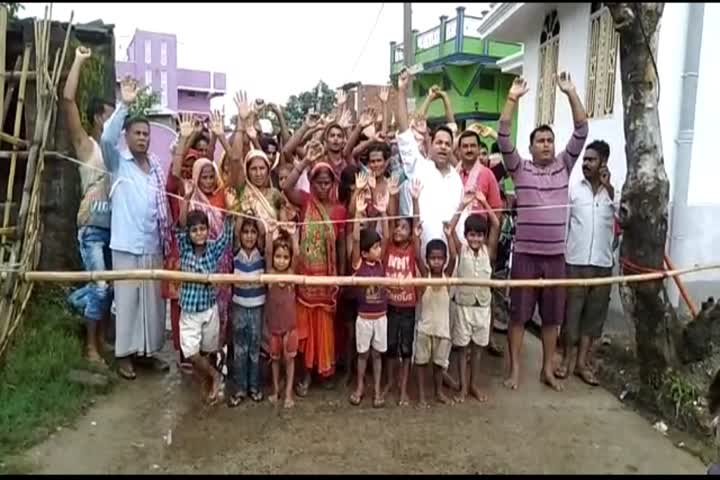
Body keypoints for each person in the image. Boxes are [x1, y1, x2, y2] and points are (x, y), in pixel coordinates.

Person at [496, 72, 588, 391]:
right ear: (531, 147)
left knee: (552, 318)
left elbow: (582, 129)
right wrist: (512, 98)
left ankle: (547, 369)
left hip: (555, 257)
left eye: (550, 140)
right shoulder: (520, 169)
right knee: (519, 316)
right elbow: (503, 136)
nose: (547, 145)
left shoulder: (565, 164)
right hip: (524, 255)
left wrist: (571, 92)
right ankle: (515, 370)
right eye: (541, 141)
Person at [101, 77, 173, 380]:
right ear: (127, 136)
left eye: (146, 133)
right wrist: (125, 104)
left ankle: (147, 353)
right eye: (137, 133)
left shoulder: (155, 166)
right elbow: (105, 138)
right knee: (128, 303)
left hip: (152, 244)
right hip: (127, 245)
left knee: (152, 306)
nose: (142, 138)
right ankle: (124, 357)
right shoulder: (118, 161)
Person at [63, 46, 115, 367]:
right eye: (111, 115)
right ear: (98, 116)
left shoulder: (114, 153)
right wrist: (79, 60)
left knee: (109, 290)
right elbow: (67, 101)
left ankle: (100, 340)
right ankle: (90, 349)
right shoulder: (87, 145)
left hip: (114, 229)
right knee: (100, 286)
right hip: (92, 228)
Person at [283, 147, 347, 396]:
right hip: (305, 279)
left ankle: (325, 372)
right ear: (311, 184)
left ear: (333, 184)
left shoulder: (340, 210)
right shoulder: (306, 202)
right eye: (318, 183)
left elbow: (341, 246)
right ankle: (306, 374)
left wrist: (339, 279)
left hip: (327, 280)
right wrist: (304, 162)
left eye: (326, 183)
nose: (322, 187)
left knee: (325, 331)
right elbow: (286, 189)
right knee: (305, 331)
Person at [557, 140, 615, 386]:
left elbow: (624, 219)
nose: (586, 164)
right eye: (585, 159)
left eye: (591, 160)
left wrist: (610, 189)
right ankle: (566, 361)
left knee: (593, 318)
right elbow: (565, 224)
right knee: (572, 314)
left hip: (603, 264)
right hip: (576, 262)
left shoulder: (613, 193)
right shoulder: (574, 191)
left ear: (603, 162)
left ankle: (582, 363)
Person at [396, 68, 463, 251]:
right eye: (439, 142)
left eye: (448, 144)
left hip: (449, 266)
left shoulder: (457, 180)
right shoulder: (419, 166)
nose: (443, 146)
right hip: (419, 262)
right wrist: (401, 90)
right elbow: (403, 129)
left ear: (452, 148)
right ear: (430, 144)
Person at [176, 198, 233, 404]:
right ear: (189, 233)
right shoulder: (184, 248)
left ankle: (208, 383)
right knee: (191, 351)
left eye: (203, 229)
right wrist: (186, 200)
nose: (199, 233)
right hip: (190, 310)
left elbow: (226, 236)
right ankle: (214, 375)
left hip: (210, 307)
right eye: (195, 230)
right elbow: (180, 225)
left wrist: (230, 212)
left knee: (209, 349)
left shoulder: (212, 249)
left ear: (208, 230)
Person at [446, 191, 501, 403]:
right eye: (472, 235)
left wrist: (485, 202)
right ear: (467, 235)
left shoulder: (489, 251)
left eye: (479, 235)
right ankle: (461, 387)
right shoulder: (461, 251)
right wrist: (463, 204)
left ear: (484, 237)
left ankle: (473, 385)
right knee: (462, 349)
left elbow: (495, 224)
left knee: (478, 349)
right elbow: (450, 229)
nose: (476, 238)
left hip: (483, 308)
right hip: (463, 306)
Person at [349, 188, 390, 408]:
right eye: (375, 247)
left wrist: (383, 214)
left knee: (377, 355)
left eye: (379, 246)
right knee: (363, 354)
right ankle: (360, 387)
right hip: (364, 318)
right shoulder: (359, 263)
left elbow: (389, 236)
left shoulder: (382, 264)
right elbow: (355, 240)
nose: (379, 249)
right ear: (365, 253)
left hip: (381, 317)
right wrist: (357, 214)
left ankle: (376, 391)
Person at [383, 178, 422, 406]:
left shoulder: (412, 249)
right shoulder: (388, 246)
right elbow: (388, 218)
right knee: (390, 347)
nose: (399, 230)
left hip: (407, 307)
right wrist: (393, 196)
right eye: (397, 227)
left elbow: (416, 225)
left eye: (403, 227)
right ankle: (390, 382)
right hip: (390, 305)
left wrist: (415, 200)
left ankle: (404, 388)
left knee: (406, 349)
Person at [413, 222, 458, 407]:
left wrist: (449, 234)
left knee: (440, 365)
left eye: (440, 258)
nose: (436, 262)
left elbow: (455, 256)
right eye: (433, 258)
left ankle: (438, 391)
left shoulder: (447, 276)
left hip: (443, 330)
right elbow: (416, 256)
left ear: (445, 259)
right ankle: (422, 395)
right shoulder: (425, 275)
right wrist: (417, 236)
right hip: (425, 329)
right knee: (422, 363)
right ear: (428, 259)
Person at [227, 215, 266, 406]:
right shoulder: (234, 253)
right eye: (245, 232)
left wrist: (256, 214)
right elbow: (235, 229)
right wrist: (243, 211)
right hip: (239, 307)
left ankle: (254, 387)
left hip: (257, 307)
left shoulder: (262, 253)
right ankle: (240, 388)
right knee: (240, 349)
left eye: (253, 232)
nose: (249, 236)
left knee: (254, 348)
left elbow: (264, 232)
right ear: (239, 235)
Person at [263, 220, 300, 408]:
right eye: (279, 257)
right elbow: (268, 252)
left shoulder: (292, 275)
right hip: (274, 327)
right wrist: (270, 233)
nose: (281, 260)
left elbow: (297, 254)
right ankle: (276, 391)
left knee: (290, 360)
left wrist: (293, 235)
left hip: (290, 328)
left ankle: (288, 394)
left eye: (285, 257)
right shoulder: (269, 274)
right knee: (275, 359)